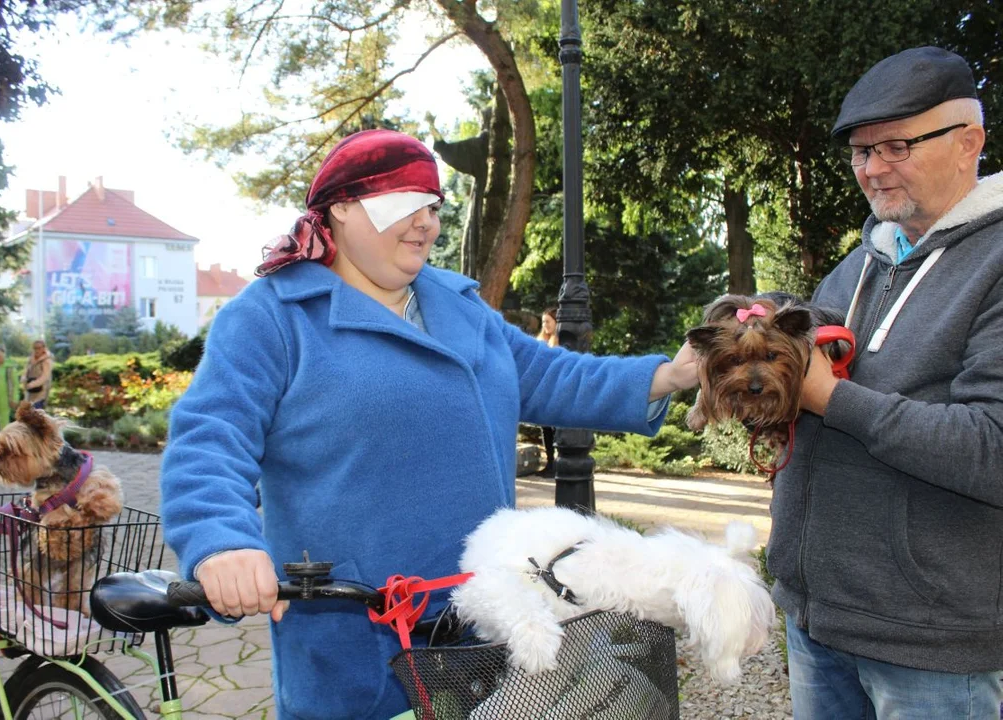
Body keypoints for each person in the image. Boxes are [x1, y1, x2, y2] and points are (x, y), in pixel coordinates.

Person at [159, 128, 699, 720]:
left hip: (484, 614)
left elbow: (545, 377)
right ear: (339, 209)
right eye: (401, 204)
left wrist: (665, 378)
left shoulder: (457, 303)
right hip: (360, 639)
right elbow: (210, 440)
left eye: (432, 205)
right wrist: (223, 543)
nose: (425, 223)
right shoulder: (272, 318)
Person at [769, 46, 1003, 719]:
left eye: (895, 146)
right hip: (818, 624)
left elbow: (991, 447)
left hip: (929, 646)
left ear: (969, 143)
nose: (871, 169)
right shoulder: (858, 263)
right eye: (860, 152)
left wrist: (830, 398)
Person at [535, 306, 559, 477]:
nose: (545, 325)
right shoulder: (540, 342)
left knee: (556, 428)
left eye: (548, 321)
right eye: (543, 322)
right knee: (546, 429)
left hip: (555, 390)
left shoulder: (560, 343)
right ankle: (550, 463)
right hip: (543, 390)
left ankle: (558, 463)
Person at [21, 339, 53, 409]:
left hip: (40, 393)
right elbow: (26, 371)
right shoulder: (30, 359)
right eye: (35, 348)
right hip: (29, 392)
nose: (37, 350)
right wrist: (23, 379)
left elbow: (45, 377)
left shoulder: (46, 360)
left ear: (43, 348)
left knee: (37, 415)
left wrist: (33, 384)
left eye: (39, 348)